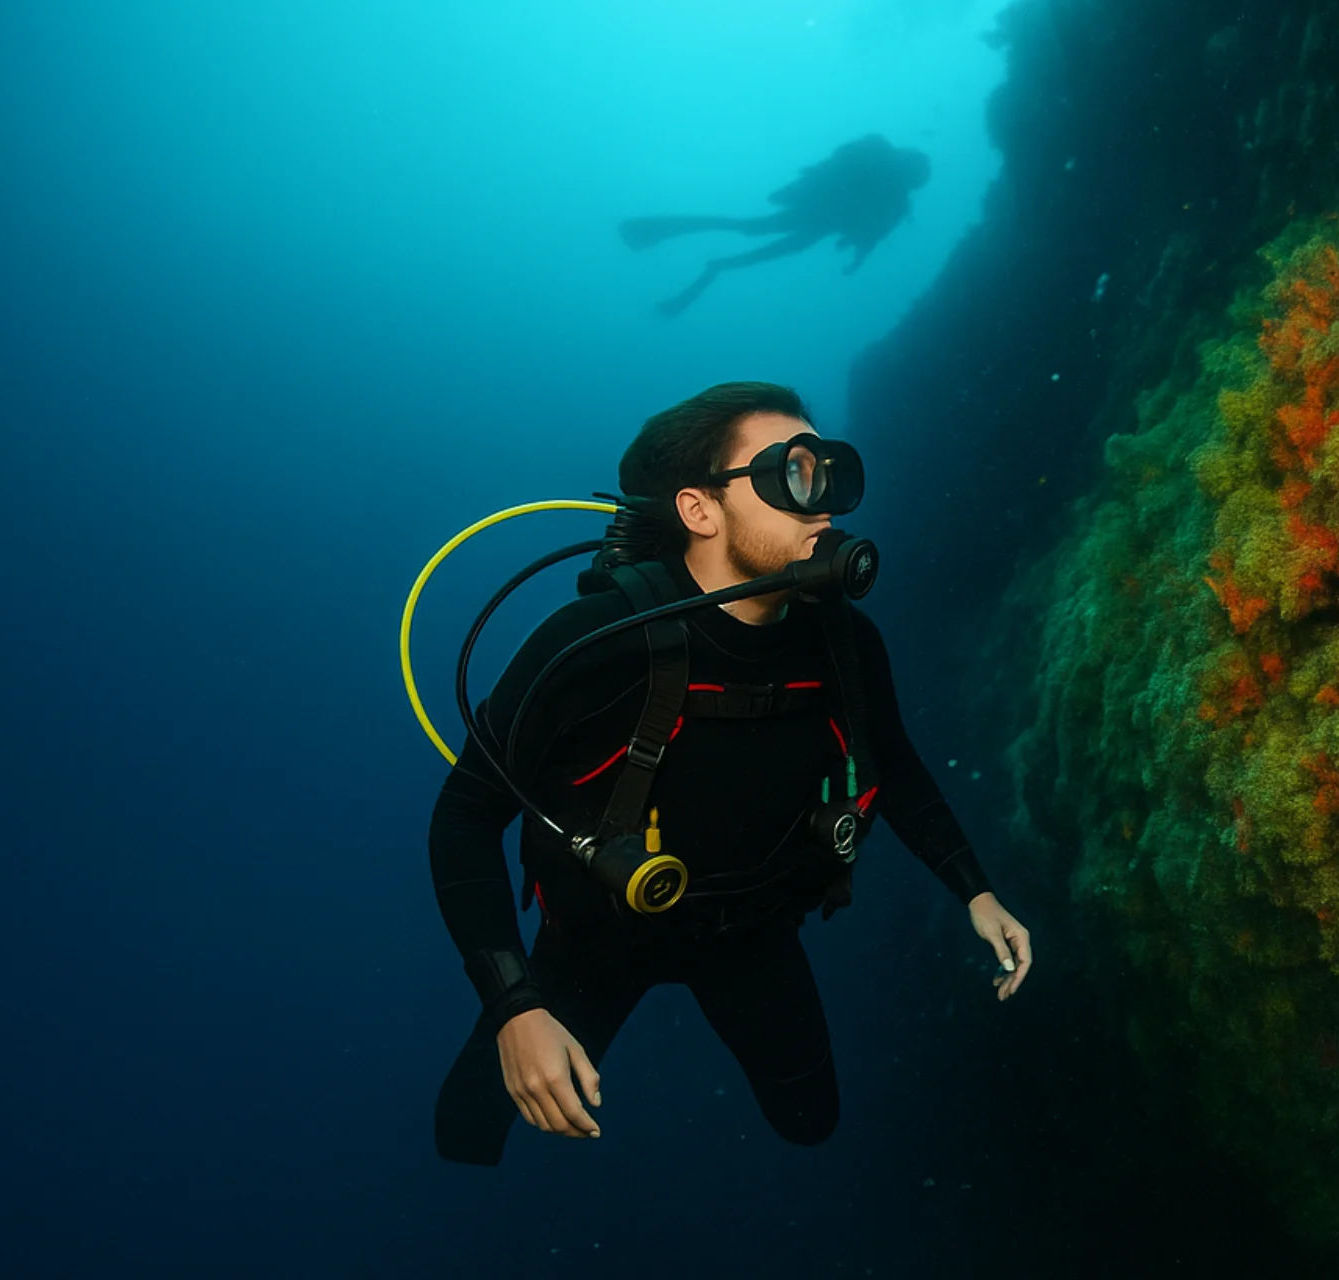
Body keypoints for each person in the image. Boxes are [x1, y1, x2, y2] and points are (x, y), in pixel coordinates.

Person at [428, 380, 1030, 1166]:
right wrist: (515, 1006)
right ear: (699, 510)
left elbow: (896, 764)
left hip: (752, 934)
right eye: (790, 474)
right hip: (595, 942)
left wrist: (974, 888)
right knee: (466, 1134)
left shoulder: (845, 642)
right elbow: (465, 817)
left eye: (827, 474)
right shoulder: (595, 643)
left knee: (812, 1120)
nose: (823, 507)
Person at [619, 134, 932, 317]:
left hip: (812, 220)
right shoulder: (889, 184)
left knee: (749, 230)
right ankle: (665, 238)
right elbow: (872, 234)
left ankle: (662, 237)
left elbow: (871, 234)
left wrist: (857, 258)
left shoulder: (890, 186)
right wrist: (856, 257)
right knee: (751, 232)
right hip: (812, 219)